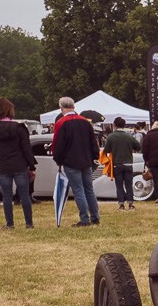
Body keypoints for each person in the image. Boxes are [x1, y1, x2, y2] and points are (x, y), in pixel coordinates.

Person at [0, 97, 35, 228]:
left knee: (6, 195)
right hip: (19, 164)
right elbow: (26, 148)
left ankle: (9, 224)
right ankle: (29, 223)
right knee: (24, 194)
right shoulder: (19, 127)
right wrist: (31, 166)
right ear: (10, 110)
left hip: (3, 164)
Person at [53, 97, 101, 227]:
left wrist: (58, 159)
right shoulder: (85, 122)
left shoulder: (61, 123)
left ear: (61, 108)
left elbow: (58, 144)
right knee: (89, 189)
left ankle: (85, 219)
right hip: (86, 160)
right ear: (74, 107)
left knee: (78, 190)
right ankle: (95, 216)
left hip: (71, 161)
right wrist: (94, 157)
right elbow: (93, 142)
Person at [103, 116, 140, 210]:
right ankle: (131, 204)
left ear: (114, 125)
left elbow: (106, 150)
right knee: (128, 185)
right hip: (128, 164)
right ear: (124, 125)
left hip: (117, 164)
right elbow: (138, 146)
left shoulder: (111, 136)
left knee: (119, 185)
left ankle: (121, 205)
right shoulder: (129, 136)